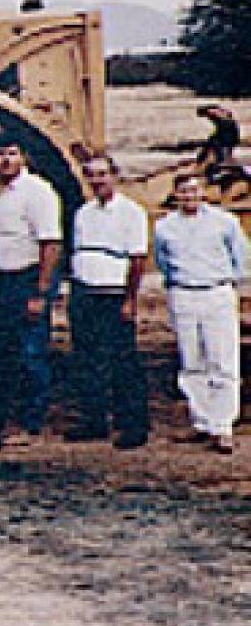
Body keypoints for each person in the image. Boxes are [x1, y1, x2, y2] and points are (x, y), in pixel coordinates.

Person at [0, 139, 62, 444]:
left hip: (26, 277)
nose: (5, 160)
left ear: (23, 157)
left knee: (31, 351)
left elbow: (50, 243)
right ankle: (3, 419)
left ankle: (31, 422)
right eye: (0, 154)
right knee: (0, 350)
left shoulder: (38, 192)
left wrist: (40, 291)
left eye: (12, 154)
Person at [152, 171, 246, 454]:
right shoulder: (164, 227)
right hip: (183, 291)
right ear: (176, 194)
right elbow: (162, 261)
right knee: (192, 359)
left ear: (203, 192)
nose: (189, 196)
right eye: (183, 191)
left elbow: (240, 257)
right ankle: (202, 421)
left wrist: (230, 287)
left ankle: (223, 425)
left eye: (194, 191)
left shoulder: (224, 222)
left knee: (222, 359)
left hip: (216, 290)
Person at [64, 154, 151, 448]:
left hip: (113, 293)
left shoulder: (131, 213)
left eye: (102, 174)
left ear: (114, 176)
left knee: (122, 360)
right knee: (87, 359)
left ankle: (133, 425)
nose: (97, 181)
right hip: (85, 292)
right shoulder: (83, 213)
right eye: (91, 175)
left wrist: (129, 299)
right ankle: (94, 420)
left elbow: (138, 260)